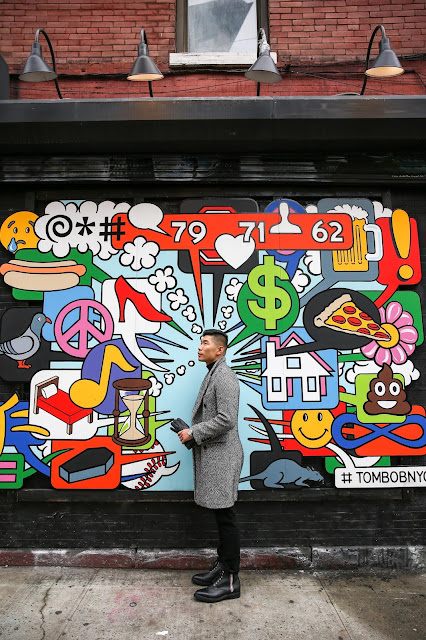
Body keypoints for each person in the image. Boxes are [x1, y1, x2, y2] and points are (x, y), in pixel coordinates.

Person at [177, 329, 244, 603]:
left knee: (226, 517)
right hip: (216, 455)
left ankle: (230, 580)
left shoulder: (225, 377)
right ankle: (221, 566)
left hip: (223, 457)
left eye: (205, 343)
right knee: (221, 515)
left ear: (220, 350)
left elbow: (227, 419)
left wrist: (194, 432)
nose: (200, 347)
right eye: (200, 342)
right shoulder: (214, 372)